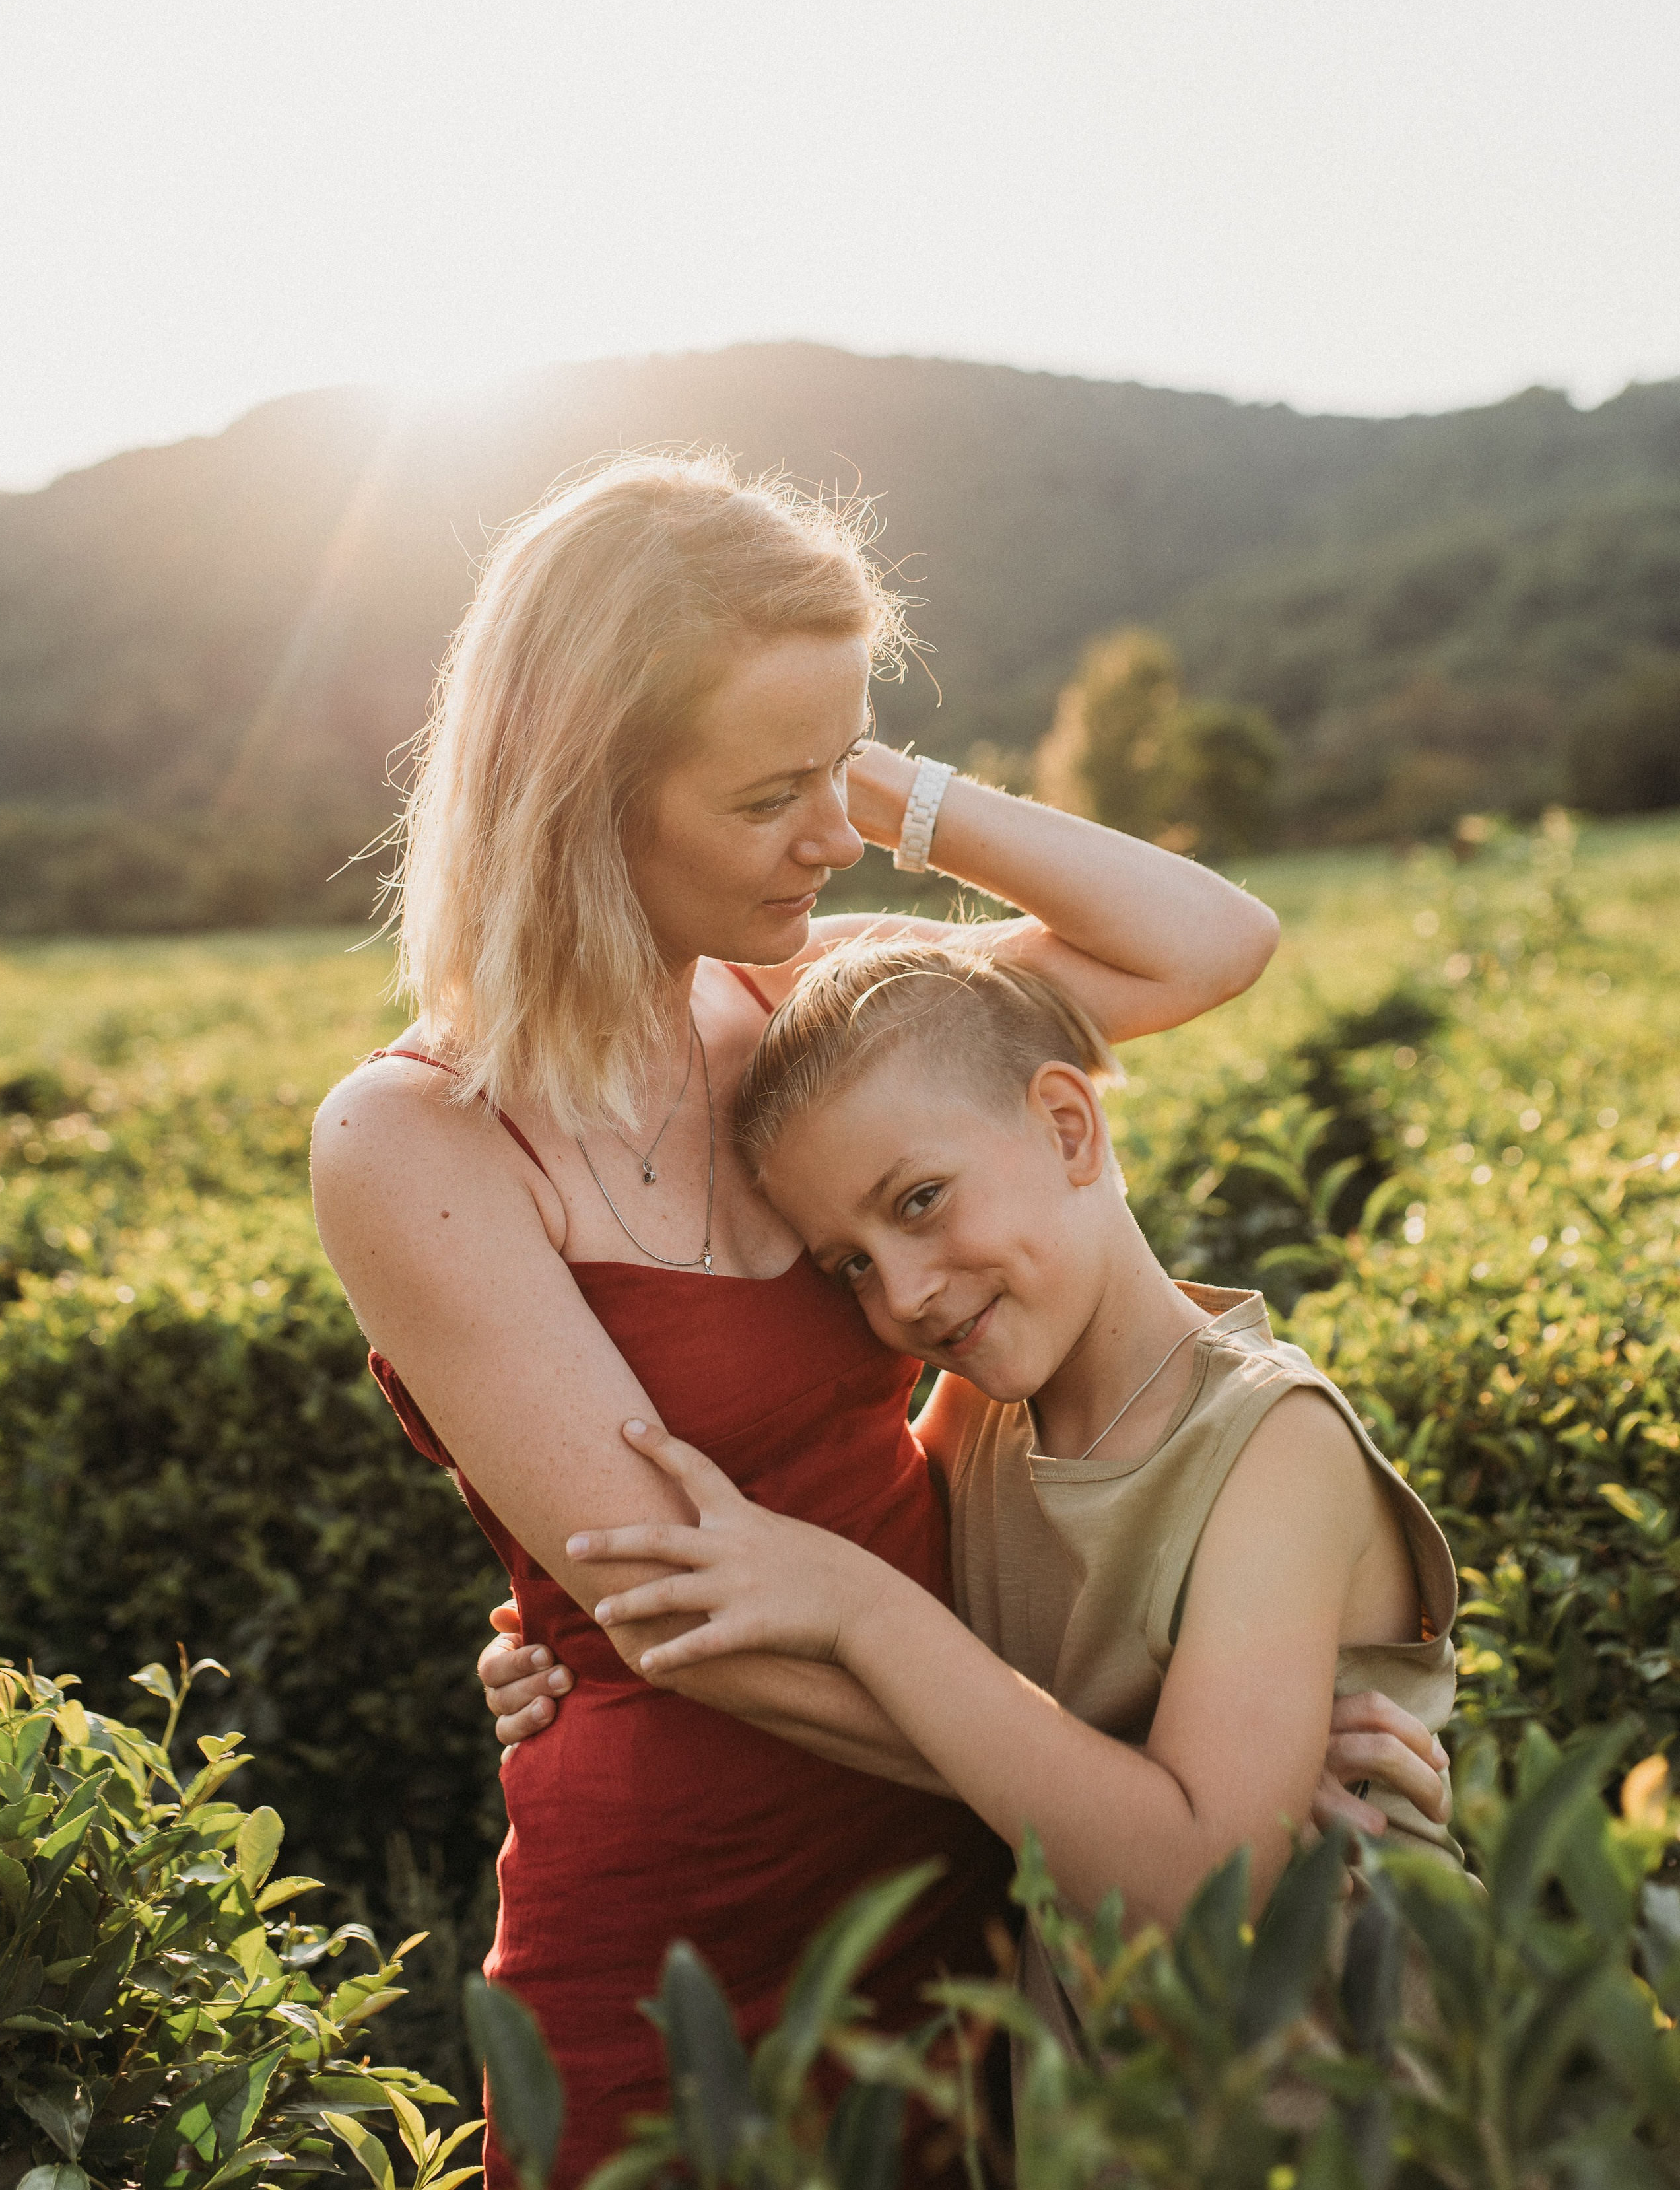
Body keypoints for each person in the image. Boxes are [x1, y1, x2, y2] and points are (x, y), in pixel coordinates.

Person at [310, 453, 1411, 2183]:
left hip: (984, 1878)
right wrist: (1138, 1786)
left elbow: (1206, 940)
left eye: (840, 769)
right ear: (579, 794)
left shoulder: (812, 1001)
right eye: (769, 795)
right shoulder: (416, 1136)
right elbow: (687, 1617)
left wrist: (868, 776)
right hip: (696, 1916)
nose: (827, 837)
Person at [535, 935, 1460, 2043]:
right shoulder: (976, 1421)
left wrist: (861, 1608)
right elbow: (910, 1656)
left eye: (920, 1200)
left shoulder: (1275, 1445)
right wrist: (558, 1649)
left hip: (1343, 2093)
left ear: (1069, 1126)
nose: (903, 1295)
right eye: (851, 1266)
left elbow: (1196, 1895)